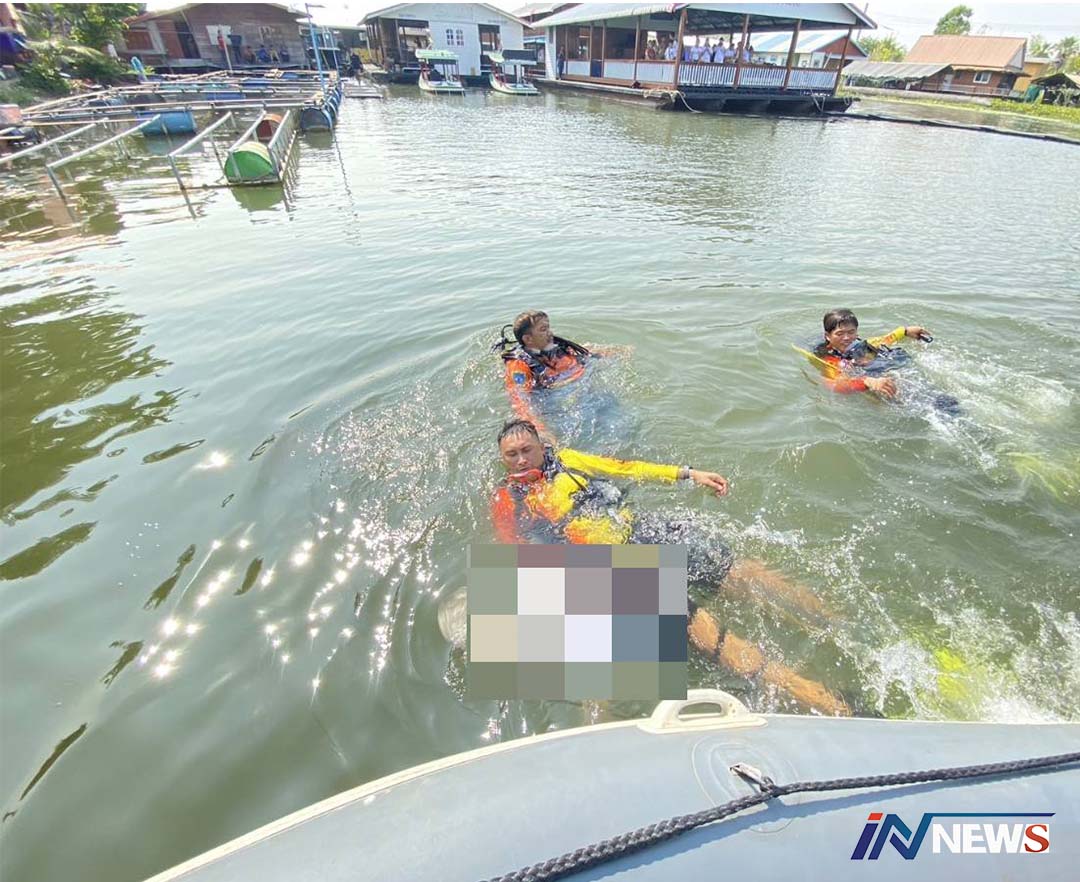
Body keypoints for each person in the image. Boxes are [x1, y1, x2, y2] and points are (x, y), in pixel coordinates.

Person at [444, 419, 849, 715]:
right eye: (511, 455)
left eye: (527, 450)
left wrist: (689, 474)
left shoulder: (567, 461)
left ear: (541, 448)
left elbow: (625, 468)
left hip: (645, 530)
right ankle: (828, 703)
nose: (521, 460)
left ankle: (834, 619)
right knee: (710, 637)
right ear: (502, 460)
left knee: (741, 573)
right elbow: (517, 555)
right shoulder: (507, 500)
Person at [494, 310, 607, 438]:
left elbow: (586, 353)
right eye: (543, 329)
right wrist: (540, 431)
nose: (550, 333)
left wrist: (613, 352)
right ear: (528, 339)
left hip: (582, 393)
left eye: (548, 327)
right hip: (553, 404)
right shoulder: (518, 366)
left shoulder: (557, 347)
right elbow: (520, 400)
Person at [811, 309, 931, 397]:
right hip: (874, 382)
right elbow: (835, 385)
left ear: (857, 332)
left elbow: (882, 340)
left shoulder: (859, 344)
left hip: (891, 371)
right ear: (828, 336)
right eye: (840, 334)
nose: (847, 338)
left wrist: (904, 331)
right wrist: (867, 382)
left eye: (851, 332)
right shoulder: (829, 357)